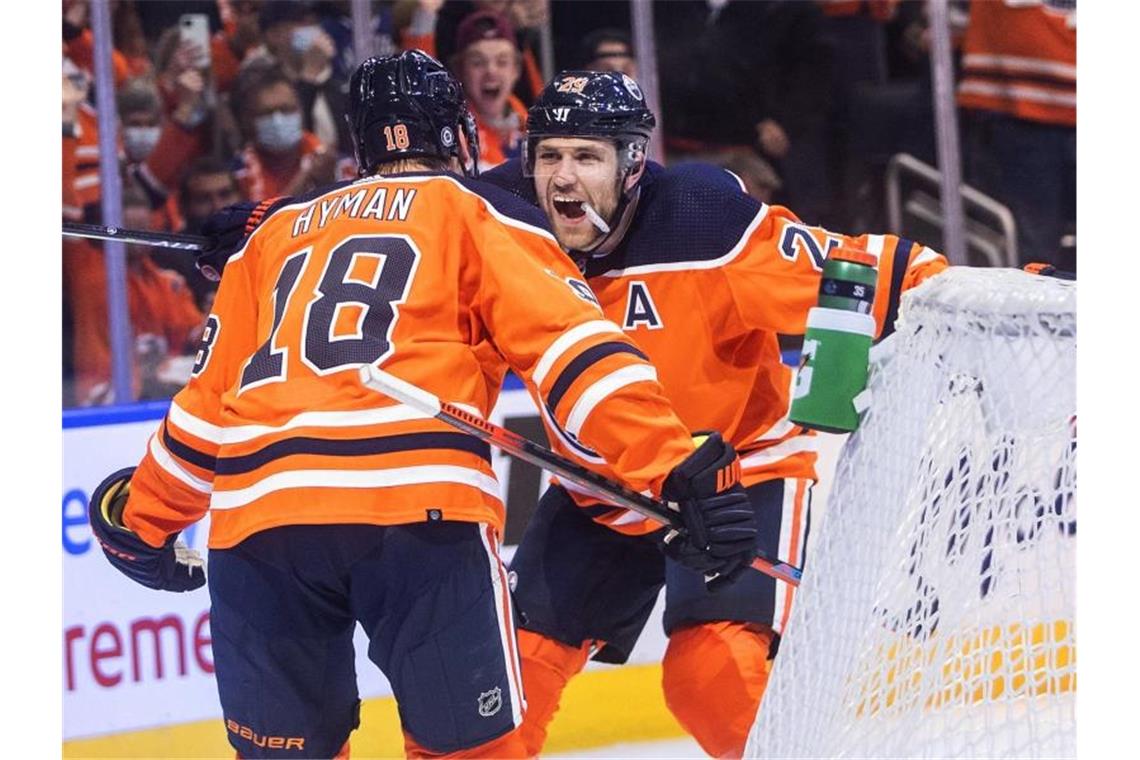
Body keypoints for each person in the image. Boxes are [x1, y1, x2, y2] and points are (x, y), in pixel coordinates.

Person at [86, 50, 756, 759]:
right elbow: (576, 354)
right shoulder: (483, 212)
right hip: (417, 515)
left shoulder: (273, 239)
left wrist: (141, 520)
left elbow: (206, 409)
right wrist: (674, 465)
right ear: (456, 135)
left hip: (261, 526)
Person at [481, 70, 949, 757]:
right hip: (600, 492)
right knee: (503, 694)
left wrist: (975, 291)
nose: (563, 177)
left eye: (587, 156)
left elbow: (851, 270)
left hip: (737, 475)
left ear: (632, 163)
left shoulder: (702, 220)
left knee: (714, 678)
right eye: (550, 155)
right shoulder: (501, 220)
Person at [450, 9, 528, 169]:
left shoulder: (533, 129)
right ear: (460, 70)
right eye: (478, 62)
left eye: (502, 62)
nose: (491, 71)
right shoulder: (451, 136)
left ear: (516, 69)